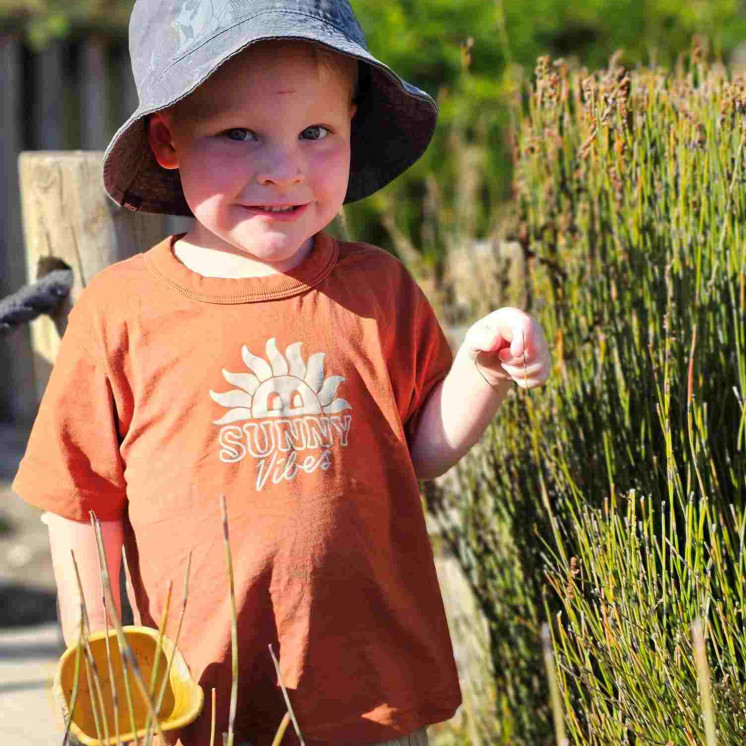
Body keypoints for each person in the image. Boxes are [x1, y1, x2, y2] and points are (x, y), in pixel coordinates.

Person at [13, 1, 552, 744]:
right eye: (240, 134)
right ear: (168, 139)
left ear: (351, 128)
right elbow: (79, 502)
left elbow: (417, 451)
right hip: (192, 700)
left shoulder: (376, 290)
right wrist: (102, 648)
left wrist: (481, 372)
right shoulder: (122, 311)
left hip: (366, 697)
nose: (285, 168)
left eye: (316, 133)